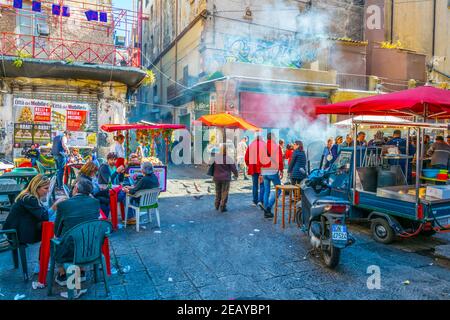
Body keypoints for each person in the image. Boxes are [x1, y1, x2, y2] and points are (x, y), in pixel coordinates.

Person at [53, 178, 101, 286]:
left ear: (76, 188)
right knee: (80, 236)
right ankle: (81, 271)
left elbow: (57, 231)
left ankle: (68, 279)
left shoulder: (63, 205)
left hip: (71, 252)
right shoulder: (95, 202)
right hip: (91, 248)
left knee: (56, 242)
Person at [3, 175, 62, 244]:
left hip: (19, 228)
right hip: (17, 234)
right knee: (55, 221)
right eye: (46, 188)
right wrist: (54, 206)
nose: (48, 190)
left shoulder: (28, 195)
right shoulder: (30, 199)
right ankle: (55, 245)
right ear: (36, 188)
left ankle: (55, 242)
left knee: (55, 219)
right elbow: (44, 216)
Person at [261, 133, 284, 218]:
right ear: (273, 138)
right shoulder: (276, 146)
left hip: (264, 171)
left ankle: (266, 210)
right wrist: (281, 170)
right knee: (278, 190)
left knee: (267, 191)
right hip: (273, 171)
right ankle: (268, 207)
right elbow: (280, 160)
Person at [211, 144, 238, 212]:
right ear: (226, 150)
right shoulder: (228, 158)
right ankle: (222, 206)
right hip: (225, 178)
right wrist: (236, 174)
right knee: (224, 192)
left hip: (217, 177)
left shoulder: (216, 158)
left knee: (218, 191)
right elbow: (233, 168)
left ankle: (217, 204)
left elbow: (211, 166)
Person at [245, 134, 266, 207]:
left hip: (253, 168)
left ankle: (254, 201)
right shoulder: (264, 145)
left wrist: (249, 165)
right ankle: (261, 201)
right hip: (262, 168)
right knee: (262, 185)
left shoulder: (251, 145)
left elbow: (246, 158)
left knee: (255, 185)